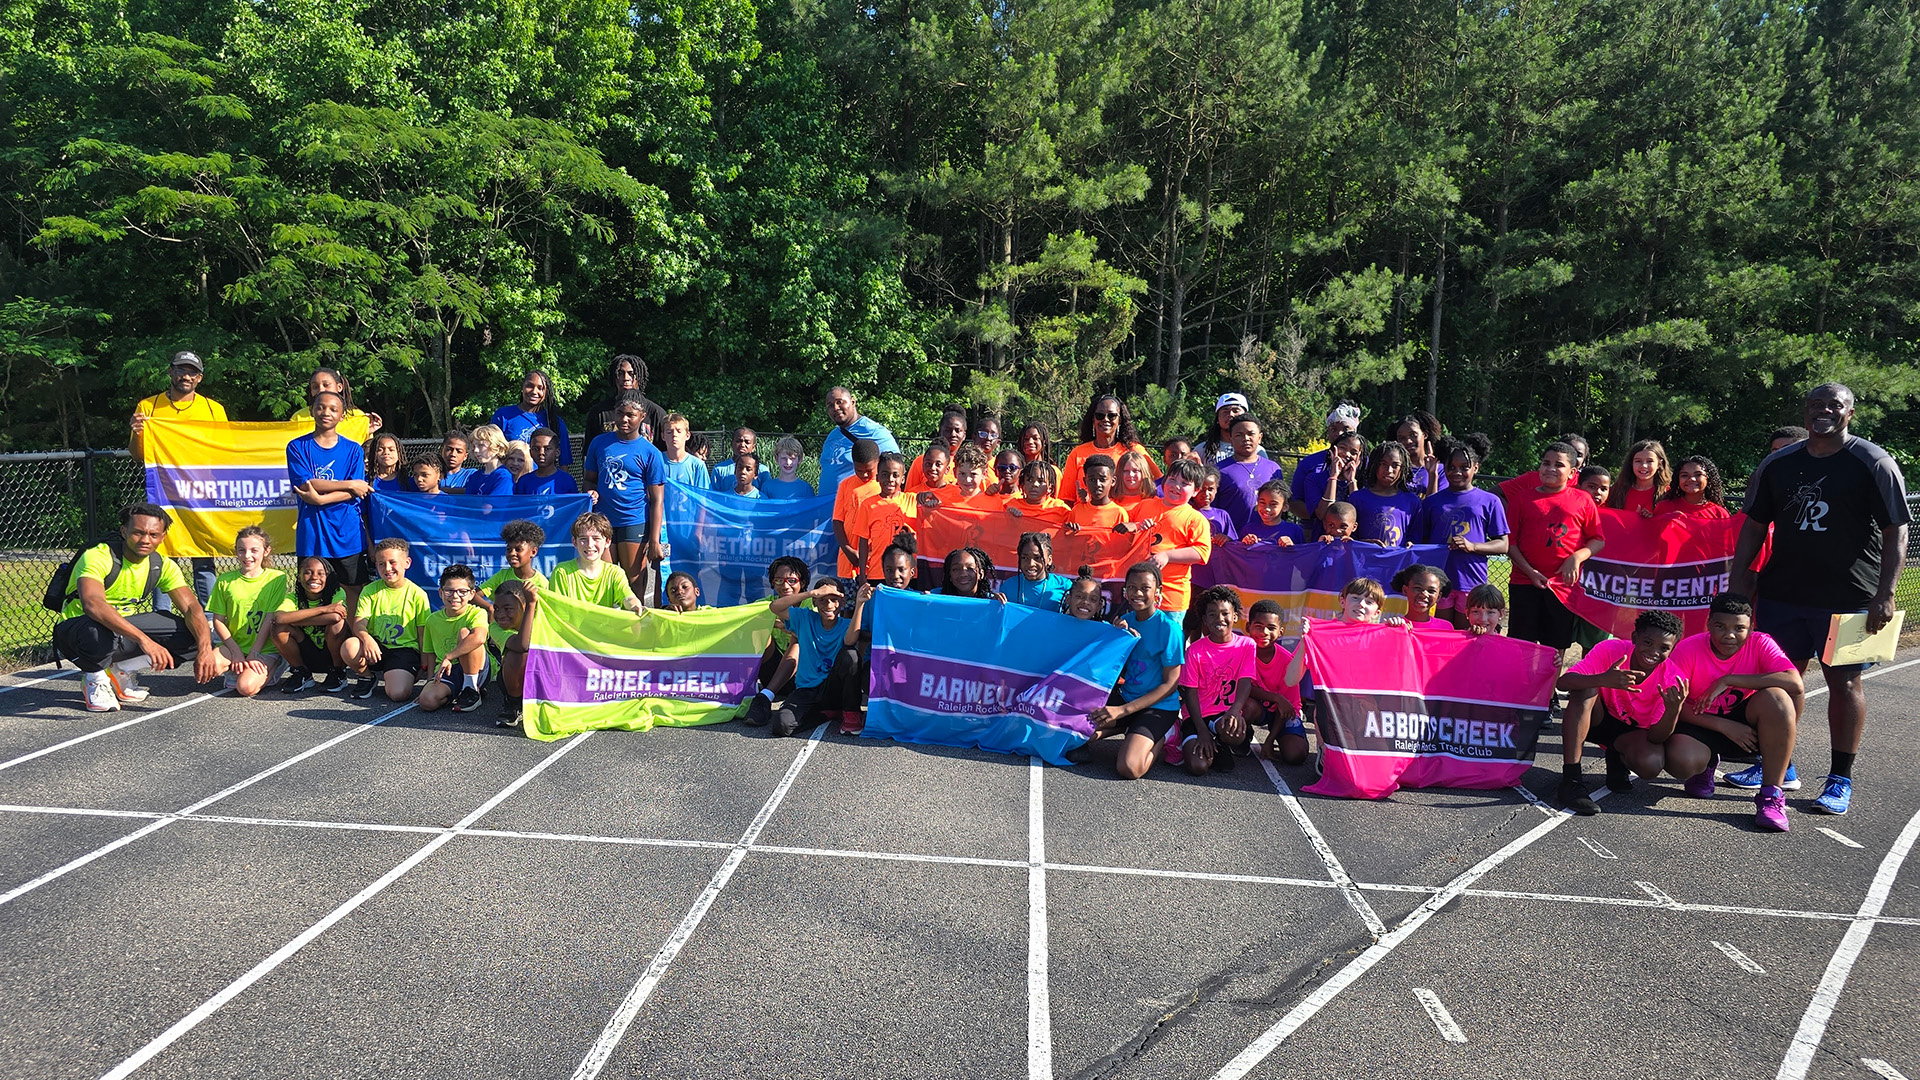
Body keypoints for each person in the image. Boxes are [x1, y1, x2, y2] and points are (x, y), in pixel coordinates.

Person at [1731, 382, 1911, 816]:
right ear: (1805, 409)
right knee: (1778, 682)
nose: (1824, 411)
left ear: (1850, 412)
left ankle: (1839, 779)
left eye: (1835, 404)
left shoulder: (1873, 462)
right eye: (1816, 404)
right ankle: (1780, 765)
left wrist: (1885, 592)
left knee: (1844, 684)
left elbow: (1896, 530)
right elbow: (1755, 525)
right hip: (1783, 594)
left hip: (1849, 597)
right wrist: (1740, 581)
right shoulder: (1778, 464)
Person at [53, 503, 218, 711]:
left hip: (121, 632)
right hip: (79, 631)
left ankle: (121, 670)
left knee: (195, 633)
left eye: (153, 534)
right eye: (138, 533)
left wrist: (205, 649)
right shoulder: (98, 555)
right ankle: (94, 679)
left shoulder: (162, 564)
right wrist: (145, 641)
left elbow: (192, 607)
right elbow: (93, 604)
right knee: (98, 630)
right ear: (124, 531)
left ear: (163, 536)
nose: (145, 540)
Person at [1662, 592, 1804, 831]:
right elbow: (1671, 705)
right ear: (1708, 624)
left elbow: (1795, 683)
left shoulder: (1760, 642)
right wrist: (1725, 726)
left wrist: (1729, 680)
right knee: (1681, 762)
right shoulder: (1687, 649)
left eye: (1739, 628)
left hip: (1747, 723)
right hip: (1702, 721)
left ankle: (1771, 795)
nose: (1729, 635)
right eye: (1720, 626)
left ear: (1751, 627)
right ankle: (1706, 764)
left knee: (1779, 699)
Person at [1553, 610, 1686, 815]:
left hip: (1630, 732)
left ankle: (1617, 759)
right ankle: (1571, 780)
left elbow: (1656, 736)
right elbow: (1563, 683)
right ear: (1634, 638)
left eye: (1664, 648)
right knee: (1585, 688)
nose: (1653, 652)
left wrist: (1673, 710)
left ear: (1673, 649)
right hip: (1596, 719)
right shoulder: (1611, 649)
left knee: (1650, 765)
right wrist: (1602, 679)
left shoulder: (1673, 678)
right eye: (1648, 642)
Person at [129, 350, 225, 607]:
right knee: (163, 554)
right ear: (170, 371)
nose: (186, 376)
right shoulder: (148, 407)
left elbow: (225, 453)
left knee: (203, 556)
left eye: (192, 371)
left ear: (200, 377)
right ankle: (164, 616)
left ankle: (211, 619)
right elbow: (139, 456)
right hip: (163, 492)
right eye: (181, 369)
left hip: (200, 493)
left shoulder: (213, 409)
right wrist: (137, 433)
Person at [1505, 442, 1604, 675]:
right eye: (1546, 463)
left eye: (1559, 465)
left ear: (1572, 472)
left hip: (1562, 587)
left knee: (1555, 644)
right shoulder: (1522, 499)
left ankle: (1549, 696)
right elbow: (1510, 544)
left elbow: (1597, 539)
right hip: (1524, 582)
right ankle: (1520, 694)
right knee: (1522, 642)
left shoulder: (1582, 500)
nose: (1550, 468)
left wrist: (1576, 558)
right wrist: (1530, 572)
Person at [1084, 562, 1185, 779]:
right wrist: (1115, 641)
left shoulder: (1169, 629)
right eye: (1131, 587)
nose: (1137, 593)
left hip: (1158, 707)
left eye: (1144, 588)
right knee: (1076, 731)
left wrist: (1122, 711)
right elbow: (1112, 668)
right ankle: (1128, 728)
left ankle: (1167, 735)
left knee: (1129, 768)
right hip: (1128, 699)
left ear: (1158, 591)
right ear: (1125, 590)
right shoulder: (1125, 623)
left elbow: (1170, 685)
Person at [1411, 435, 1508, 630]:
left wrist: (1473, 546)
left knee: (1468, 636)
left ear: (1476, 468)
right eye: (1451, 467)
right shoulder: (1431, 502)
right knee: (1441, 633)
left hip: (1470, 580)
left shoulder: (1489, 501)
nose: (1457, 472)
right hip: (1437, 583)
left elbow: (1503, 544)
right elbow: (1421, 541)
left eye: (1464, 467)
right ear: (1444, 468)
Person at [287, 391, 372, 613]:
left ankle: (354, 640)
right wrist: (348, 485)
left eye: (333, 409)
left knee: (353, 591)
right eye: (321, 407)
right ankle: (318, 644)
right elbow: (306, 484)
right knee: (312, 593)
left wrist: (319, 499)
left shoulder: (353, 449)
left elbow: (358, 491)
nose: (326, 413)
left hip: (347, 535)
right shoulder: (296, 447)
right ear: (312, 411)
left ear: (342, 416)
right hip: (313, 534)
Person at [585, 393, 669, 602]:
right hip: (603, 521)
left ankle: (636, 626)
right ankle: (606, 627)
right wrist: (590, 491)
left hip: (634, 522)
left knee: (634, 579)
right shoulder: (599, 443)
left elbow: (657, 500)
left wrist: (655, 539)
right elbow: (589, 480)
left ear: (642, 416)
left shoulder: (651, 453)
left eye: (630, 415)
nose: (624, 419)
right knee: (604, 577)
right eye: (620, 414)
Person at [1175, 585, 1256, 774]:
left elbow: (1245, 681)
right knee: (1198, 767)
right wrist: (1202, 730)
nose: (1219, 619)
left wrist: (1235, 711)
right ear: (1204, 620)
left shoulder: (1246, 645)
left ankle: (1222, 742)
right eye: (1212, 615)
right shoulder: (1194, 651)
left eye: (1225, 613)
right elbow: (1190, 693)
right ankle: (1204, 741)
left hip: (1224, 714)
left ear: (1235, 616)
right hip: (1197, 717)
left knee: (1233, 733)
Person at [206, 526, 292, 698]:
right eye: (242, 550)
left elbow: (270, 618)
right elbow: (218, 621)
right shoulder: (225, 581)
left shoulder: (276, 578)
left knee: (245, 688)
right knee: (207, 668)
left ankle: (277, 664)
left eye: (254, 550)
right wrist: (236, 652)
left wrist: (254, 653)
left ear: (266, 551)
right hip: (234, 644)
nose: (247, 556)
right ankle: (238, 665)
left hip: (264, 647)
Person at [768, 578, 861, 737]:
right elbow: (774, 607)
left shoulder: (847, 625)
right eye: (822, 600)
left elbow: (850, 641)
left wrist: (859, 603)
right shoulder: (805, 617)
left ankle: (851, 714)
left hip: (833, 690)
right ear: (815, 602)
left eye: (834, 600)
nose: (829, 605)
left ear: (843, 601)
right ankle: (826, 715)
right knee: (781, 725)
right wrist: (811, 593)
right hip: (807, 689)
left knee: (851, 656)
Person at [341, 537, 430, 701]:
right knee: (349, 646)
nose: (387, 568)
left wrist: (424, 666)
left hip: (404, 650)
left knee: (398, 694)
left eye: (392, 562)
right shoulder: (370, 590)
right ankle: (367, 677)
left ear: (407, 563)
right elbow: (359, 624)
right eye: (381, 563)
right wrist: (366, 638)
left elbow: (423, 634)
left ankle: (400, 674)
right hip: (375, 646)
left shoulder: (418, 595)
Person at [1130, 459, 1212, 614]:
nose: (1176, 486)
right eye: (1172, 479)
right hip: (1136, 593)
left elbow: (1201, 553)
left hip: (1170, 597)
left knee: (1168, 637)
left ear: (1196, 490)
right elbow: (1125, 530)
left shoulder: (1195, 518)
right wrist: (1135, 527)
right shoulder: (1144, 505)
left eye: (1184, 483)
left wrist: (1167, 555)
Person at [742, 556, 810, 727]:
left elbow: (807, 633)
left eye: (791, 580)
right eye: (779, 580)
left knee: (798, 640)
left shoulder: (812, 603)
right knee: (756, 630)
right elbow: (736, 619)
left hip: (803, 676)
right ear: (772, 583)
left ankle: (765, 697)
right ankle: (747, 691)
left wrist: (779, 623)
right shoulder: (763, 604)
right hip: (771, 671)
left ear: (803, 582)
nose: (785, 586)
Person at [267, 556, 350, 693]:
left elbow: (335, 616)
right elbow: (279, 618)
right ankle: (302, 672)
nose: (314, 577)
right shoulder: (294, 597)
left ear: (328, 577)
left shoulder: (337, 592)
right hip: (307, 651)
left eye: (320, 573)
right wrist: (323, 609)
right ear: (299, 577)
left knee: (338, 625)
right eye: (308, 572)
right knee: (278, 628)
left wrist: (294, 619)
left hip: (331, 652)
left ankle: (338, 673)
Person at [417, 564, 491, 714]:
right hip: (448, 670)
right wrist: (430, 682)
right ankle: (458, 691)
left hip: (477, 667)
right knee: (427, 701)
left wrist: (449, 656)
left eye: (462, 591)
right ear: (440, 592)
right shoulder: (432, 620)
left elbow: (479, 638)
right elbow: (430, 654)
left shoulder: (477, 613)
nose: (455, 596)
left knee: (465, 633)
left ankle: (471, 688)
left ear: (471, 594)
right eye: (449, 591)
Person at [1060, 396, 1159, 504]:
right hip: (1085, 517)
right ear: (1093, 419)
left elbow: (1159, 484)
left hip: (1127, 518)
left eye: (1112, 416)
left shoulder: (1134, 450)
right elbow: (1066, 499)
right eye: (1100, 415)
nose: (1105, 419)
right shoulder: (1077, 453)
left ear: (1120, 420)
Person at [476, 520, 548, 666]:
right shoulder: (502, 575)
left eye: (518, 549)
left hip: (531, 637)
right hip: (508, 637)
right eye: (509, 549)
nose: (512, 553)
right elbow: (475, 595)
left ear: (533, 552)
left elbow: (543, 617)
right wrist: (489, 607)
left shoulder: (542, 583)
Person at [1245, 599, 1307, 765]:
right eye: (1258, 626)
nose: (1264, 632)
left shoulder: (1287, 661)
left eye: (1271, 628)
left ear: (1281, 632)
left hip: (1281, 713)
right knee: (1247, 706)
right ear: (1247, 627)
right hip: (1256, 709)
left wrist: (1269, 740)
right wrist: (1276, 697)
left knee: (1296, 755)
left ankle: (1284, 735)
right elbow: (1243, 688)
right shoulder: (1242, 653)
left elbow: (1286, 705)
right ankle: (1243, 736)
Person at [1287, 402, 1362, 537]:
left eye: (1345, 429)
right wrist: (1318, 513)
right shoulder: (1310, 465)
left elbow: (1364, 510)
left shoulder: (1366, 468)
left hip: (1354, 537)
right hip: (1315, 532)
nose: (1339, 433)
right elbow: (1294, 502)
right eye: (1333, 429)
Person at [548, 512, 644, 613]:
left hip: (604, 628)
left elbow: (627, 597)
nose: (590, 545)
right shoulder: (562, 572)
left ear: (607, 542)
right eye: (583, 539)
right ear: (574, 542)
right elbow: (558, 611)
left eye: (596, 538)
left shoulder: (615, 573)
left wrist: (635, 605)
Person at [818, 386, 900, 493]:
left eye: (840, 402)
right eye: (830, 405)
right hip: (828, 506)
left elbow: (895, 466)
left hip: (857, 504)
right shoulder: (832, 436)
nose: (836, 407)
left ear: (852, 402)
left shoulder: (874, 431)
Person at [851, 452, 917, 579]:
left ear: (902, 478)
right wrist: (863, 575)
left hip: (907, 576)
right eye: (885, 474)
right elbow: (863, 542)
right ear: (878, 477)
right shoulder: (868, 505)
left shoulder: (913, 501)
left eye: (895, 475)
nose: (890, 479)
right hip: (877, 573)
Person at [1293, 428, 1367, 540]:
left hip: (1352, 544)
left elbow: (1359, 515)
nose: (1347, 454)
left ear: (1359, 458)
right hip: (1323, 542)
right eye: (1343, 448)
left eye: (1353, 452)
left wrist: (1352, 481)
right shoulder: (1314, 479)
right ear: (1333, 450)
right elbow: (1322, 514)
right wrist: (1333, 477)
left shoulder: (1363, 482)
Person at [490, 370, 573, 464]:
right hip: (510, 477)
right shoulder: (503, 415)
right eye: (530, 386)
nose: (534, 391)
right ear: (522, 387)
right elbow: (492, 454)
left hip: (543, 478)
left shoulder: (554, 422)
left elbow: (564, 463)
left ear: (546, 393)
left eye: (540, 388)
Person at [585, 353, 669, 447]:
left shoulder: (656, 413)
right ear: (614, 377)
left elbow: (665, 454)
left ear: (640, 378)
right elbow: (589, 453)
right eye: (620, 373)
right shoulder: (599, 413)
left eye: (631, 374)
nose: (625, 378)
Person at [1349, 442, 1420, 546]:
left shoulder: (1412, 501)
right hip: (1365, 560)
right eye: (1383, 464)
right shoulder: (1357, 498)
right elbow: (1348, 537)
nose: (1389, 470)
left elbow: (1416, 536)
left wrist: (1411, 544)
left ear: (1403, 468)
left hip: (1398, 560)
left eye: (1395, 465)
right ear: (1374, 465)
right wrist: (1365, 544)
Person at [832, 438, 882, 579]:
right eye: (859, 470)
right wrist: (848, 550)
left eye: (869, 470)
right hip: (847, 563)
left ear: (877, 462)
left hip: (875, 564)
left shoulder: (884, 486)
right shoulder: (845, 485)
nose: (864, 475)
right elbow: (837, 521)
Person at [489, 580, 534, 728]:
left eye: (508, 608)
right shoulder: (495, 627)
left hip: (542, 675)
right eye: (496, 608)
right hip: (513, 679)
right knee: (517, 654)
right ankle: (513, 705)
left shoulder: (543, 617)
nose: (500, 614)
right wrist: (531, 606)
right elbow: (522, 645)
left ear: (524, 605)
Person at [1499, 432, 1590, 504]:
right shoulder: (1532, 479)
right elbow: (1494, 495)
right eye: (1567, 450)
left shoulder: (1587, 484)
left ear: (1584, 462)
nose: (1572, 455)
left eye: (1579, 455)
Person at [289, 367, 382, 434]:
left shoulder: (357, 417)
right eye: (315, 387)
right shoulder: (299, 417)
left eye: (326, 385)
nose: (321, 389)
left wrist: (366, 433)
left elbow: (365, 451)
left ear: (339, 387)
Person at [917, 444, 1001, 511]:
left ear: (984, 473)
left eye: (973, 474)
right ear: (954, 473)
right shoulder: (945, 504)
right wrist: (928, 512)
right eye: (962, 474)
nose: (968, 480)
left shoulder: (994, 503)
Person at [1003, 532, 1072, 611]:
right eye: (1025, 558)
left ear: (1049, 560)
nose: (1031, 564)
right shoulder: (1008, 586)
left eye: (1037, 558)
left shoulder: (1065, 585)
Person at [1066, 454, 1129, 532]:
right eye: (1092, 480)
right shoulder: (1077, 511)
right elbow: (1068, 539)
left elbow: (1123, 542)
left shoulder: (1119, 513)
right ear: (1085, 482)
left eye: (1102, 479)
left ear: (1113, 481)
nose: (1097, 484)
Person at [1607, 439, 1671, 516]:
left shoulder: (1668, 494)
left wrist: (1652, 519)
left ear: (1659, 464)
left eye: (1649, 461)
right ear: (1631, 463)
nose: (1643, 465)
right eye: (1638, 461)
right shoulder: (1616, 490)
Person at [908, 407, 967, 492]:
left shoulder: (967, 463)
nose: (953, 434)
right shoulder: (921, 461)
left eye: (957, 430)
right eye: (948, 430)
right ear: (940, 431)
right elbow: (909, 495)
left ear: (964, 435)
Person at [1201, 392, 1269, 463]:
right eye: (1225, 412)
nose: (1230, 414)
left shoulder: (1258, 451)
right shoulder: (1202, 450)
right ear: (1217, 418)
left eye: (1235, 411)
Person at [1659, 456, 1730, 518]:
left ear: (1708, 478)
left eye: (1698, 475)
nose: (1692, 479)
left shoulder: (1719, 513)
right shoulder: (1664, 508)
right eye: (1684, 475)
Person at [514, 428, 579, 495]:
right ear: (530, 452)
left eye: (547, 449)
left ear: (557, 452)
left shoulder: (567, 480)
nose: (541, 452)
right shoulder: (523, 482)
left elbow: (575, 504)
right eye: (536, 449)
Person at [1002, 460, 1071, 524]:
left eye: (1041, 481)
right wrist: (1009, 518)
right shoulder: (1010, 507)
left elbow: (1072, 532)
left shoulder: (1061, 509)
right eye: (1029, 480)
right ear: (1023, 485)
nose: (1034, 484)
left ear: (1050, 487)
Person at [1393, 412, 1444, 496]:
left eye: (1413, 435)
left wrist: (1432, 474)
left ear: (1425, 435)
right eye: (1401, 438)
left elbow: (1436, 505)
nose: (1408, 441)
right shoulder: (1394, 469)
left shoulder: (1440, 470)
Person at [1239, 480, 1304, 545]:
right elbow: (1237, 552)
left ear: (1285, 507)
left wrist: (1291, 547)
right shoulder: (1248, 530)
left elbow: (1302, 553)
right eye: (1262, 503)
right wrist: (1244, 542)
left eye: (1273, 504)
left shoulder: (1295, 531)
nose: (1267, 508)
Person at [1390, 564, 1451, 630]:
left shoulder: (1445, 628)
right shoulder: (1394, 626)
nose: (1424, 594)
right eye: (1418, 588)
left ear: (1438, 597)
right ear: (1405, 590)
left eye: (1431, 591)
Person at [657, 413, 709, 488]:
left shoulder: (698, 466)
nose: (674, 435)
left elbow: (702, 497)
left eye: (679, 431)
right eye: (669, 432)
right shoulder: (656, 462)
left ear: (687, 435)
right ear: (663, 436)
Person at [462, 424, 515, 496]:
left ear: (497, 447)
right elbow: (467, 503)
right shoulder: (475, 476)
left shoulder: (503, 477)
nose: (476, 450)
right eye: (474, 446)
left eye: (481, 445)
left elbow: (492, 505)